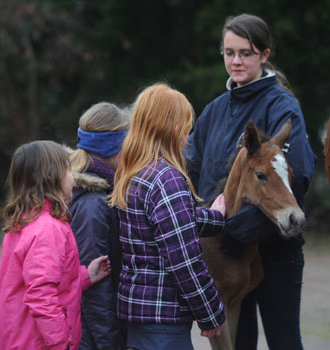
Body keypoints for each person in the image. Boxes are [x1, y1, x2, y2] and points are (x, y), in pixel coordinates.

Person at [186, 13, 316, 350]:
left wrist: (238, 231)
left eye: (245, 53)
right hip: (225, 258)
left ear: (264, 55)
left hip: (274, 252)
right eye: (229, 53)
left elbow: (296, 173)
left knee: (284, 342)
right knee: (238, 344)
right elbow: (192, 170)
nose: (236, 61)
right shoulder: (215, 110)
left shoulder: (282, 106)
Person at [109, 83, 227, 350]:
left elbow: (167, 226)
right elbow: (184, 260)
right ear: (171, 128)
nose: (188, 135)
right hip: (165, 322)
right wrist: (210, 313)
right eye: (186, 127)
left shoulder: (131, 173)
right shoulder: (167, 179)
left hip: (138, 312)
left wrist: (216, 217)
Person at [0, 140, 111, 350]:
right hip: (39, 343)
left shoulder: (24, 220)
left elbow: (35, 277)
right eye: (67, 170)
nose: (72, 177)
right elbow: (41, 293)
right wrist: (60, 342)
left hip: (17, 336)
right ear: (51, 178)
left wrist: (85, 276)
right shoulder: (49, 229)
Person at [69, 102, 130, 350]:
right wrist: (110, 344)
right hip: (93, 338)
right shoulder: (93, 204)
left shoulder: (104, 190)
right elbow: (95, 291)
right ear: (114, 146)